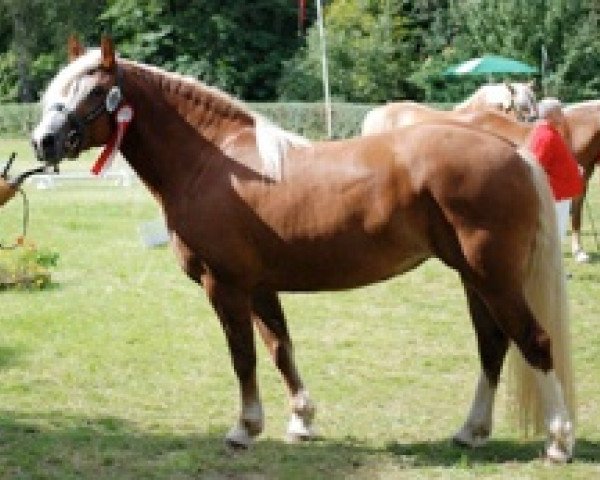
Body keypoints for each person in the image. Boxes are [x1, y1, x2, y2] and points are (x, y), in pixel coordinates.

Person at [528, 98, 584, 242]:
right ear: (550, 115)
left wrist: (574, 169)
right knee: (555, 235)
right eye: (559, 112)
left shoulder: (550, 132)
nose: (563, 115)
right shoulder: (546, 136)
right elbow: (536, 167)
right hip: (556, 194)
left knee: (557, 234)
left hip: (560, 193)